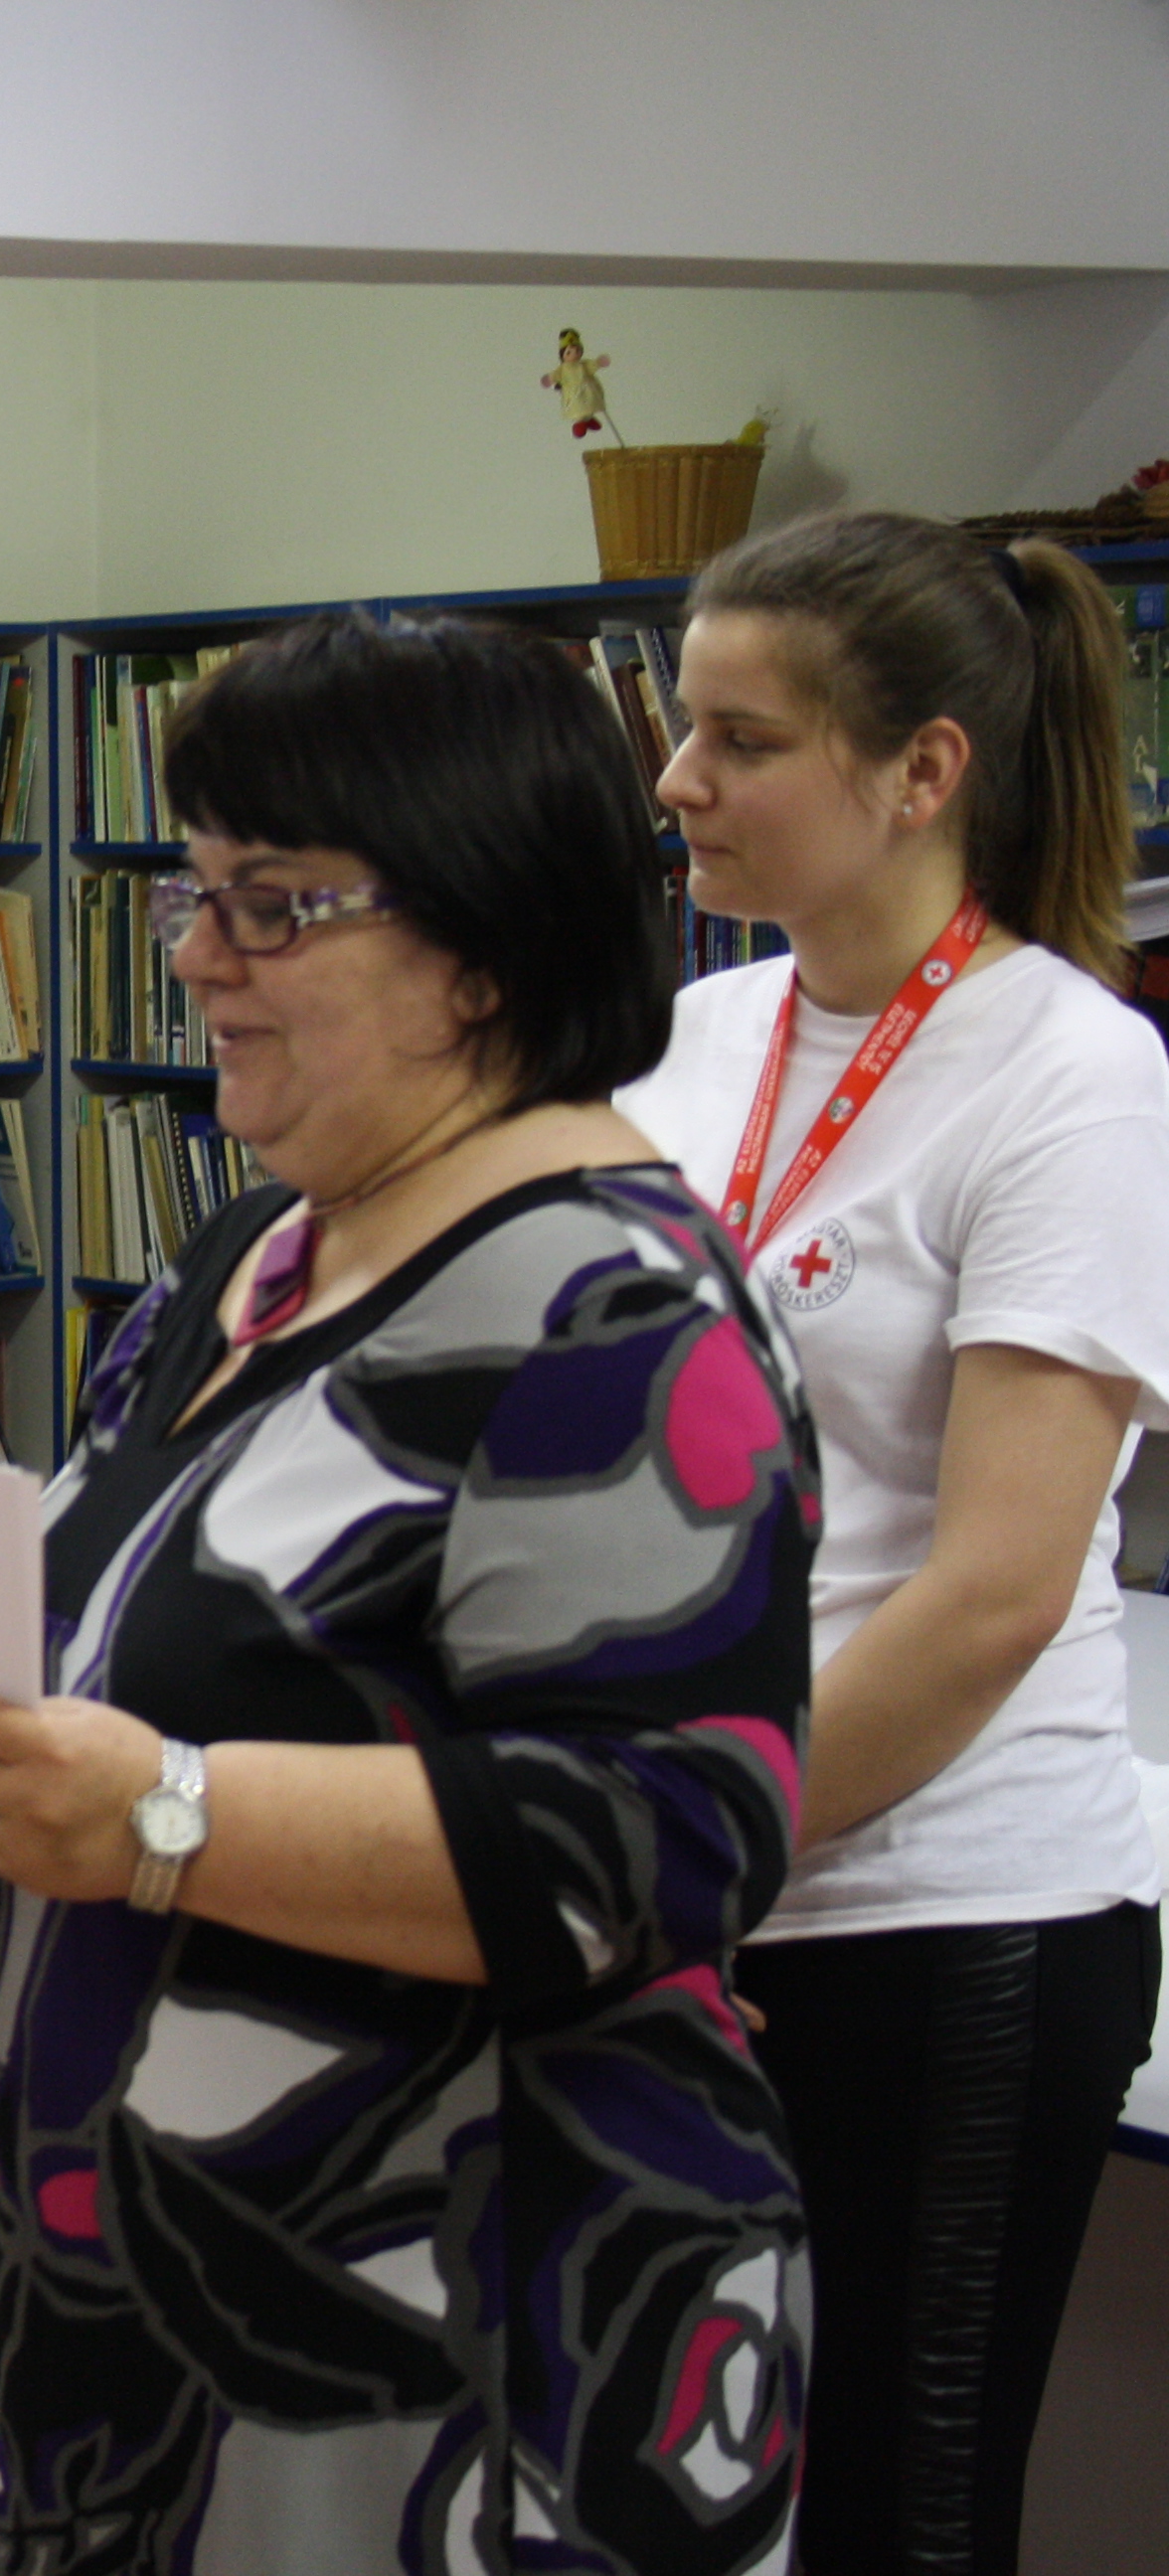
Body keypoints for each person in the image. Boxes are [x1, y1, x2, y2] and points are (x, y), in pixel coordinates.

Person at [0, 610, 822, 2574]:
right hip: (140, 2320)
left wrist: (167, 1819)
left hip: (448, 2355)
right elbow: (104, 1714)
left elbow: (657, 1842)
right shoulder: (248, 1264)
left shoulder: (615, 1316)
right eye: (196, 895)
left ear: (485, 951)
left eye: (275, 907)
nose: (193, 958)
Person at [615, 511, 1169, 2576]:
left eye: (741, 741)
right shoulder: (707, 1036)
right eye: (685, 727)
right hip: (706, 1889)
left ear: (924, 770)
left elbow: (996, 1594)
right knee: (683, 2504)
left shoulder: (1075, 1075)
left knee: (891, 2521)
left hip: (941, 1914)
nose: (678, 780)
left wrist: (687, 1862)